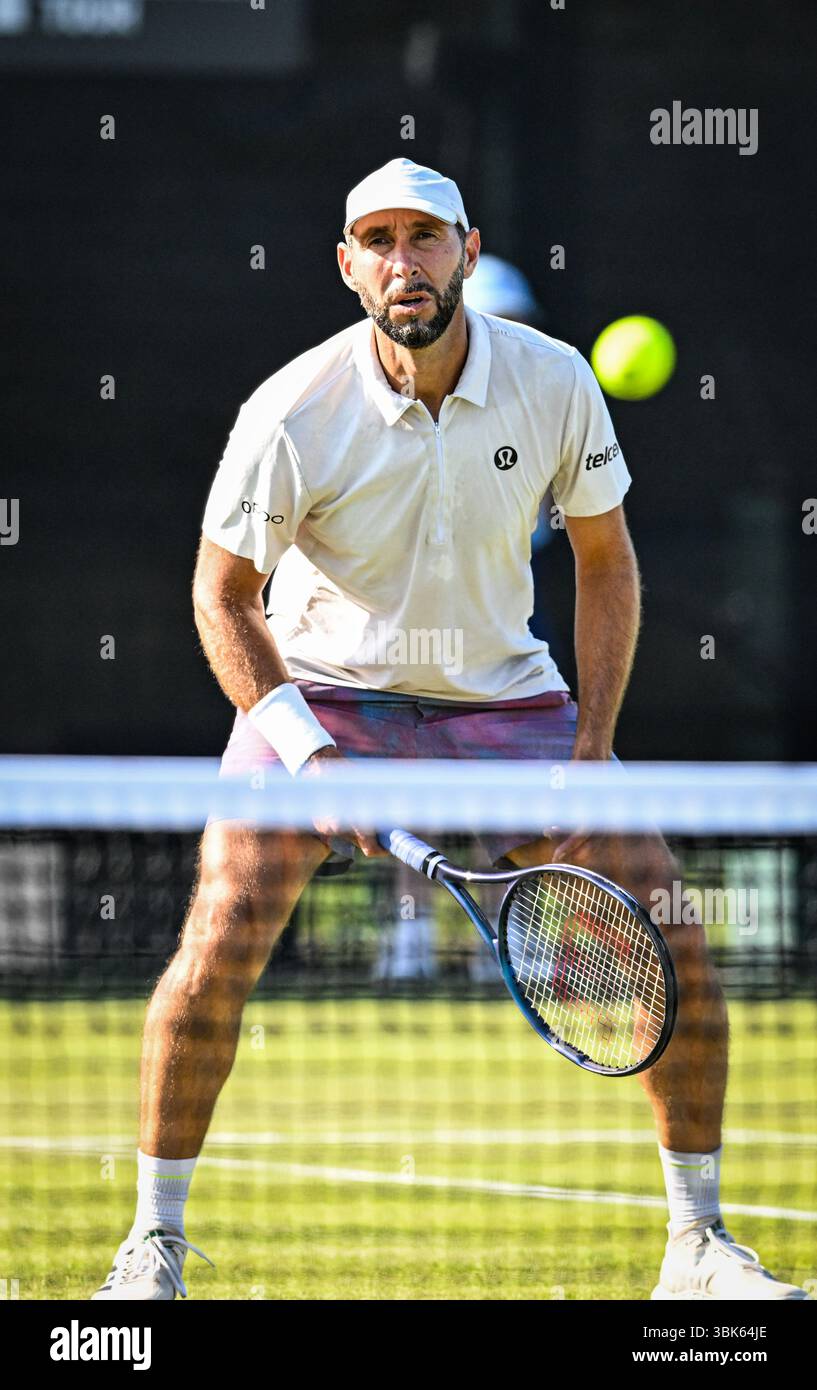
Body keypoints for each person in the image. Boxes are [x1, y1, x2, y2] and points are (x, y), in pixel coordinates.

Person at [93, 157, 807, 1301]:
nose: (401, 260)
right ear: (345, 267)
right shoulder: (289, 409)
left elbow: (605, 562)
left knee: (668, 923)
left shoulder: (556, 381)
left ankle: (698, 1247)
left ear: (466, 252)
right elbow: (220, 597)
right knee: (221, 928)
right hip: (322, 692)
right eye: (375, 240)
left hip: (506, 703)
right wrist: (314, 758)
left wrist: (589, 753)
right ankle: (154, 1247)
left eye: (423, 237)